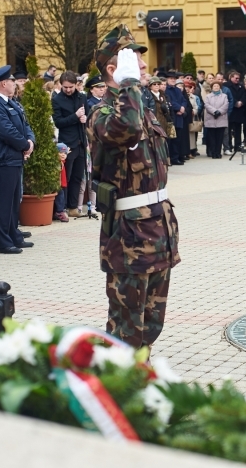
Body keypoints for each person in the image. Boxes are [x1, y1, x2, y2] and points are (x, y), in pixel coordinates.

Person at [88, 24, 180, 350]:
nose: (143, 67)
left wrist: (135, 91)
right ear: (113, 70)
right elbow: (125, 130)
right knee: (127, 326)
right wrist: (128, 85)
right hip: (128, 238)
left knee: (152, 325)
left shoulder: (141, 105)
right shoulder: (102, 113)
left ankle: (141, 377)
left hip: (158, 228)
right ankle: (121, 385)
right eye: (134, 62)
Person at [0, 65, 36, 254]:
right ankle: (2, 242)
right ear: (4, 83)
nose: (15, 84)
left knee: (13, 201)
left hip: (15, 157)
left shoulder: (9, 102)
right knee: (3, 202)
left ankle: (13, 235)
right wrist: (24, 145)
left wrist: (30, 141)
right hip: (4, 157)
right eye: (12, 81)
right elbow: (6, 131)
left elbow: (25, 124)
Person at [52, 71, 88, 218]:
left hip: (81, 142)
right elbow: (58, 122)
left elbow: (87, 115)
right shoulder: (57, 99)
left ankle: (73, 207)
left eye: (71, 87)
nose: (68, 89)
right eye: (65, 87)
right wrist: (75, 116)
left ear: (76, 85)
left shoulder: (82, 97)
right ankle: (63, 208)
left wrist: (85, 118)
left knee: (78, 177)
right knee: (66, 177)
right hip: (67, 144)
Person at [203, 82, 229, 159]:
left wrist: (219, 111)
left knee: (220, 137)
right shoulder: (208, 96)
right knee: (212, 138)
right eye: (214, 86)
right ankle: (213, 153)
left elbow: (226, 105)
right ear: (212, 87)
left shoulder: (224, 96)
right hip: (211, 119)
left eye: (217, 86)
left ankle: (218, 152)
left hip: (221, 119)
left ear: (220, 87)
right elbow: (206, 105)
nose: (216, 87)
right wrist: (214, 111)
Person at [54, 142, 69, 222]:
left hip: (60, 184)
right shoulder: (57, 163)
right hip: (57, 185)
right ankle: (59, 211)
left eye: (65, 153)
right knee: (60, 195)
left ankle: (59, 210)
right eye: (60, 152)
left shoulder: (62, 163)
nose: (63, 155)